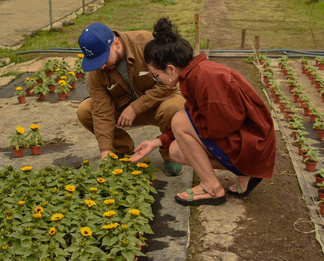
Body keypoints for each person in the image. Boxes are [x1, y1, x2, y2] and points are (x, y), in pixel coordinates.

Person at [131, 18, 276, 206]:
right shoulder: (194, 73)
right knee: (175, 151)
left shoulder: (205, 79)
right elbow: (198, 119)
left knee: (180, 120)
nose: (157, 80)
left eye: (157, 75)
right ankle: (245, 173)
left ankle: (211, 188)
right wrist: (158, 141)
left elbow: (217, 128)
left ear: (171, 69)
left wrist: (182, 126)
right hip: (249, 141)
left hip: (254, 145)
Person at [76, 22, 186, 176]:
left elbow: (170, 83)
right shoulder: (98, 71)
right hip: (124, 112)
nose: (100, 67)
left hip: (160, 103)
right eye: (96, 62)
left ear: (116, 44)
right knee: (85, 110)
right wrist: (106, 151)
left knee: (174, 108)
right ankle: (122, 149)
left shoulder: (146, 44)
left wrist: (135, 107)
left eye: (103, 59)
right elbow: (102, 112)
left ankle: (170, 154)